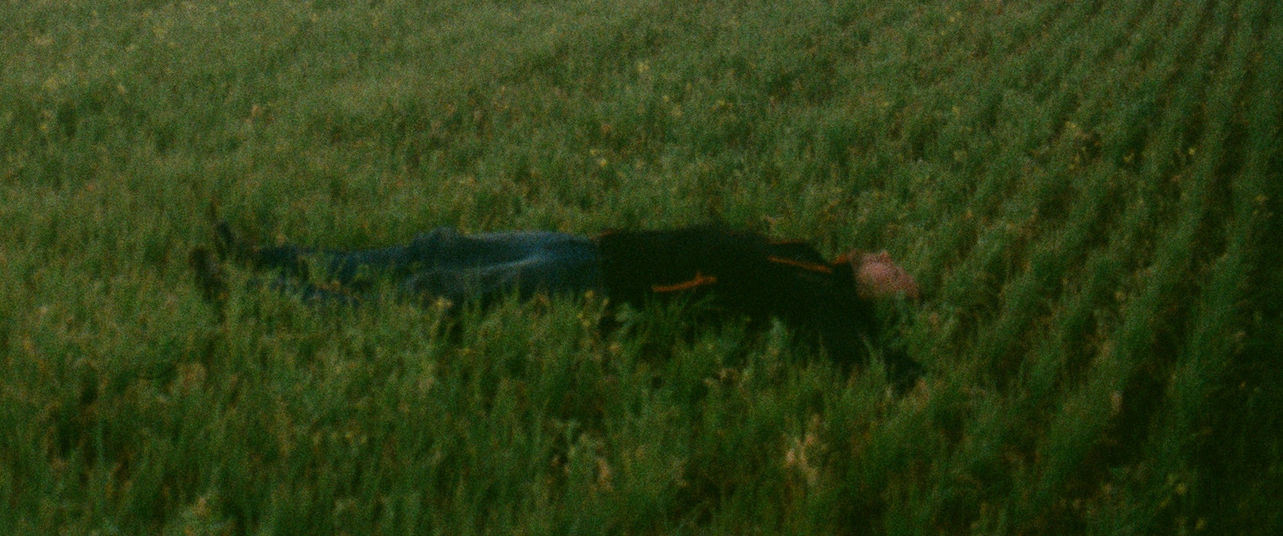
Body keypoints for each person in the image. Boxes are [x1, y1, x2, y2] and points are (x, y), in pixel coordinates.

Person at [191, 219, 922, 385]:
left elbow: (857, 350)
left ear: (880, 299)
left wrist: (909, 372)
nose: (889, 262)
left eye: (899, 278)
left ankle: (256, 293)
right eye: (892, 261)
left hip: (599, 286)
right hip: (593, 248)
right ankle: (266, 257)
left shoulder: (822, 298)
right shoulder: (810, 255)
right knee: (436, 248)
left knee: (432, 295)